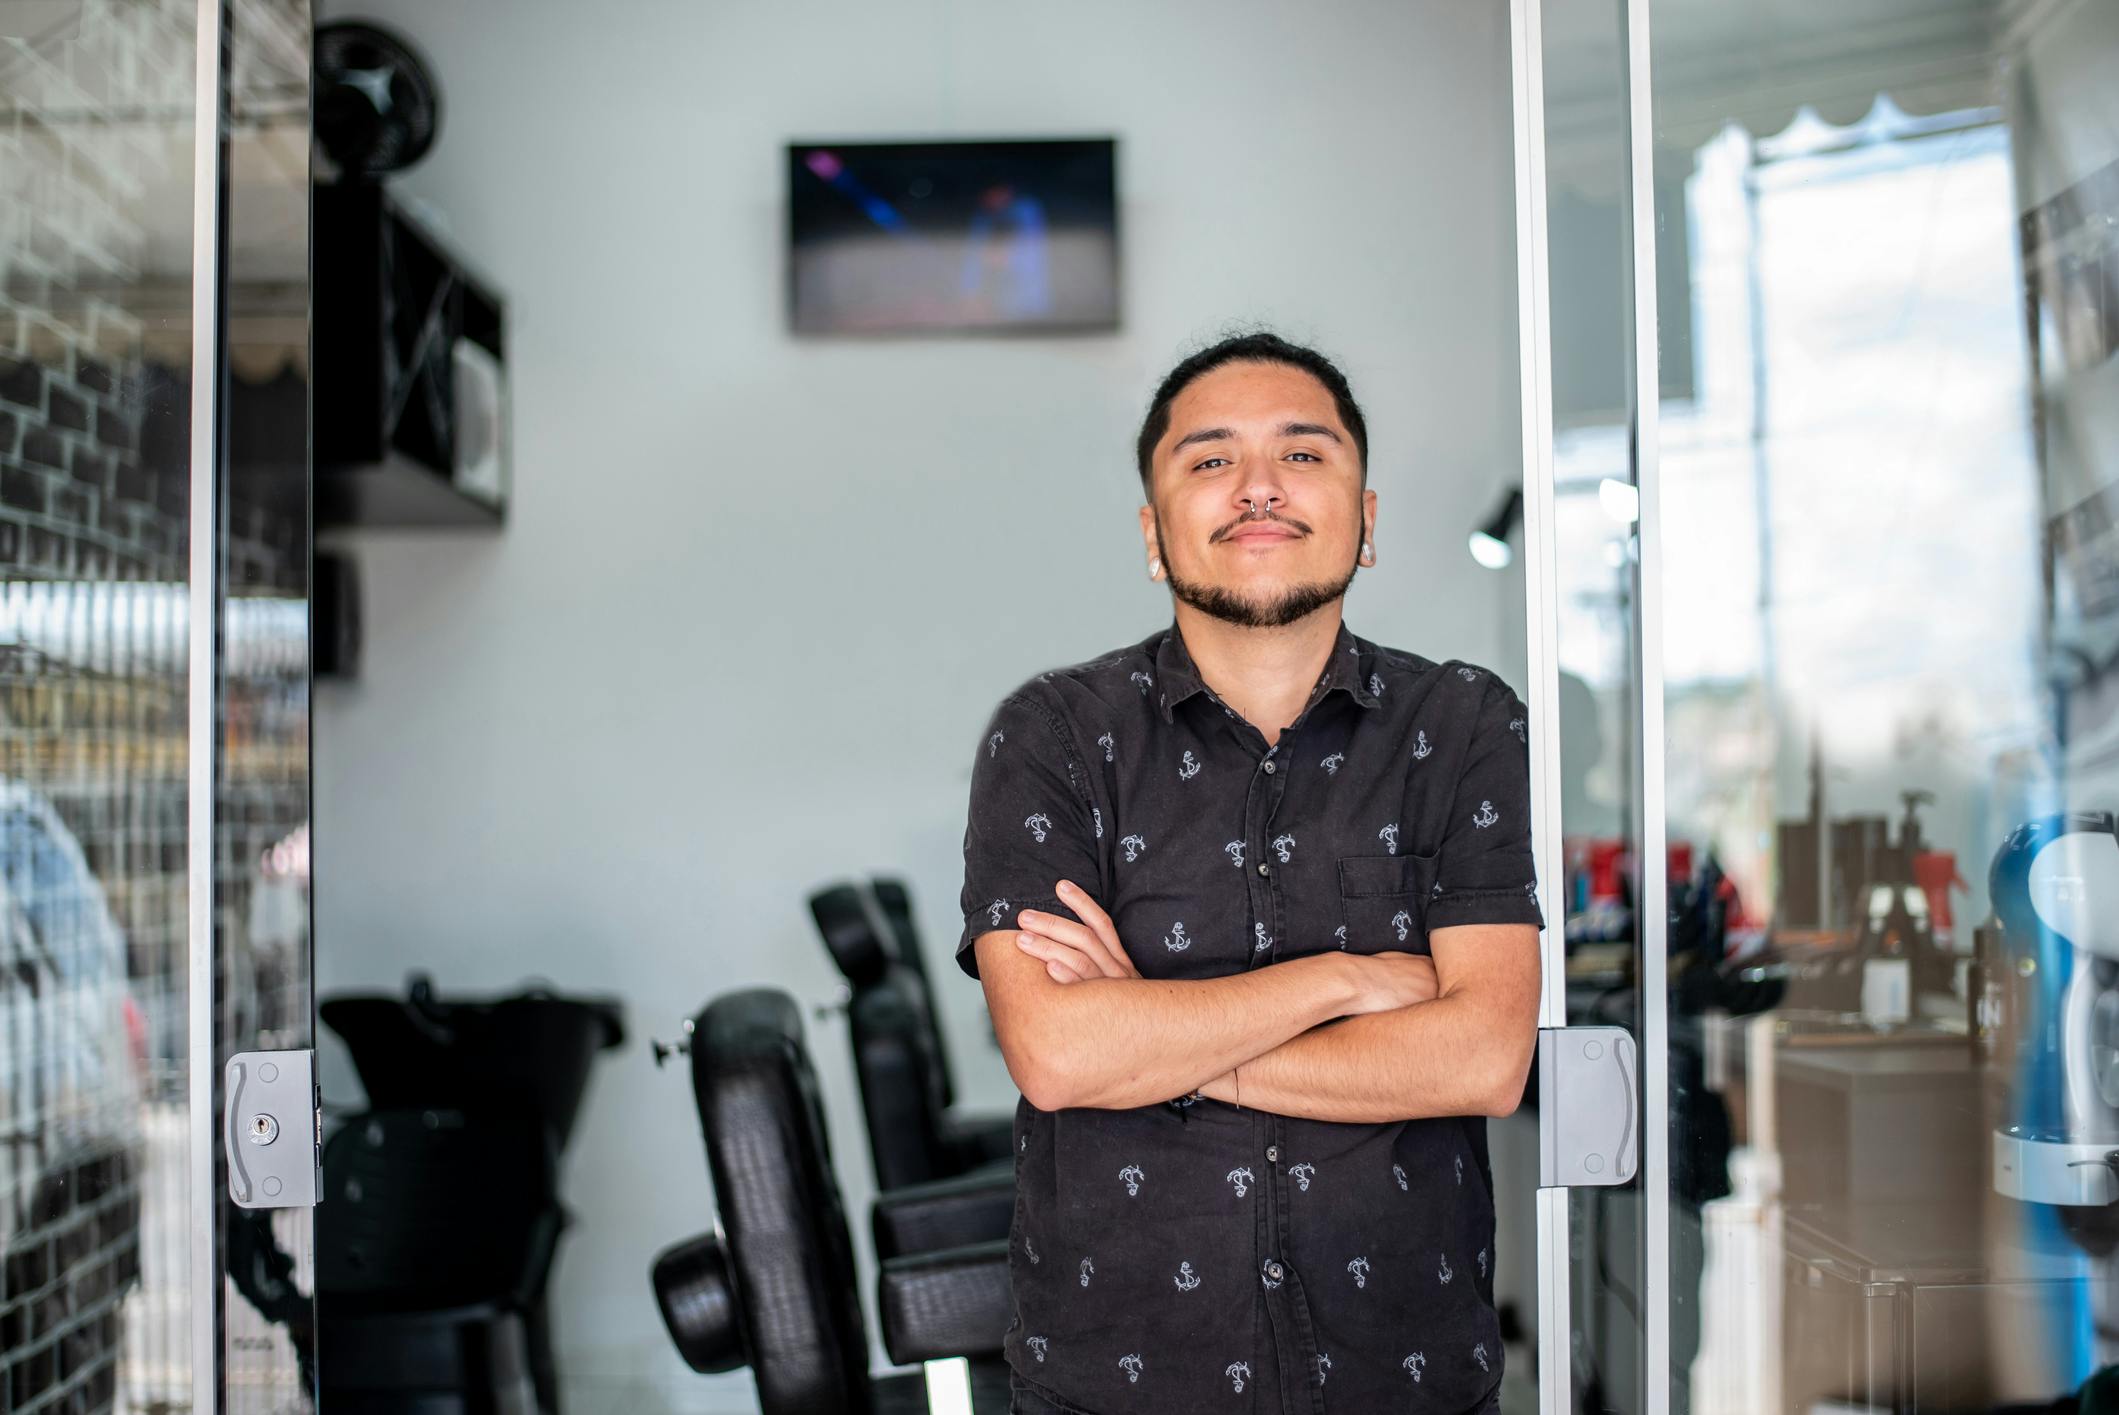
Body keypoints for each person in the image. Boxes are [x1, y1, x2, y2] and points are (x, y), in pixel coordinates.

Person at [955, 330, 1543, 1414]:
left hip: (1403, 1375)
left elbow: (1485, 1057)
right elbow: (1055, 1052)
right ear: (1154, 532)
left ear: (1366, 522)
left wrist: (1150, 1031)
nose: (1259, 487)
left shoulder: (1462, 723)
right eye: (1211, 458)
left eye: (1304, 454)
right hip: (1116, 1380)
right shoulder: (1050, 736)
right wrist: (1346, 981)